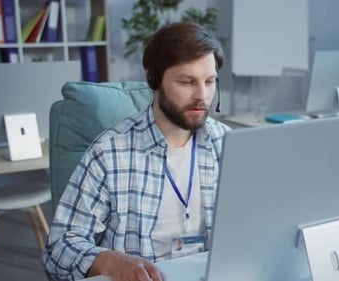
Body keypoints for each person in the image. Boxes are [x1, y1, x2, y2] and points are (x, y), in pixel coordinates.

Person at [43, 22, 230, 281]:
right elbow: (59, 248)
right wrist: (109, 262)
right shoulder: (110, 152)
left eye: (210, 82)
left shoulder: (226, 143)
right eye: (187, 82)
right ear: (153, 78)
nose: (202, 95)